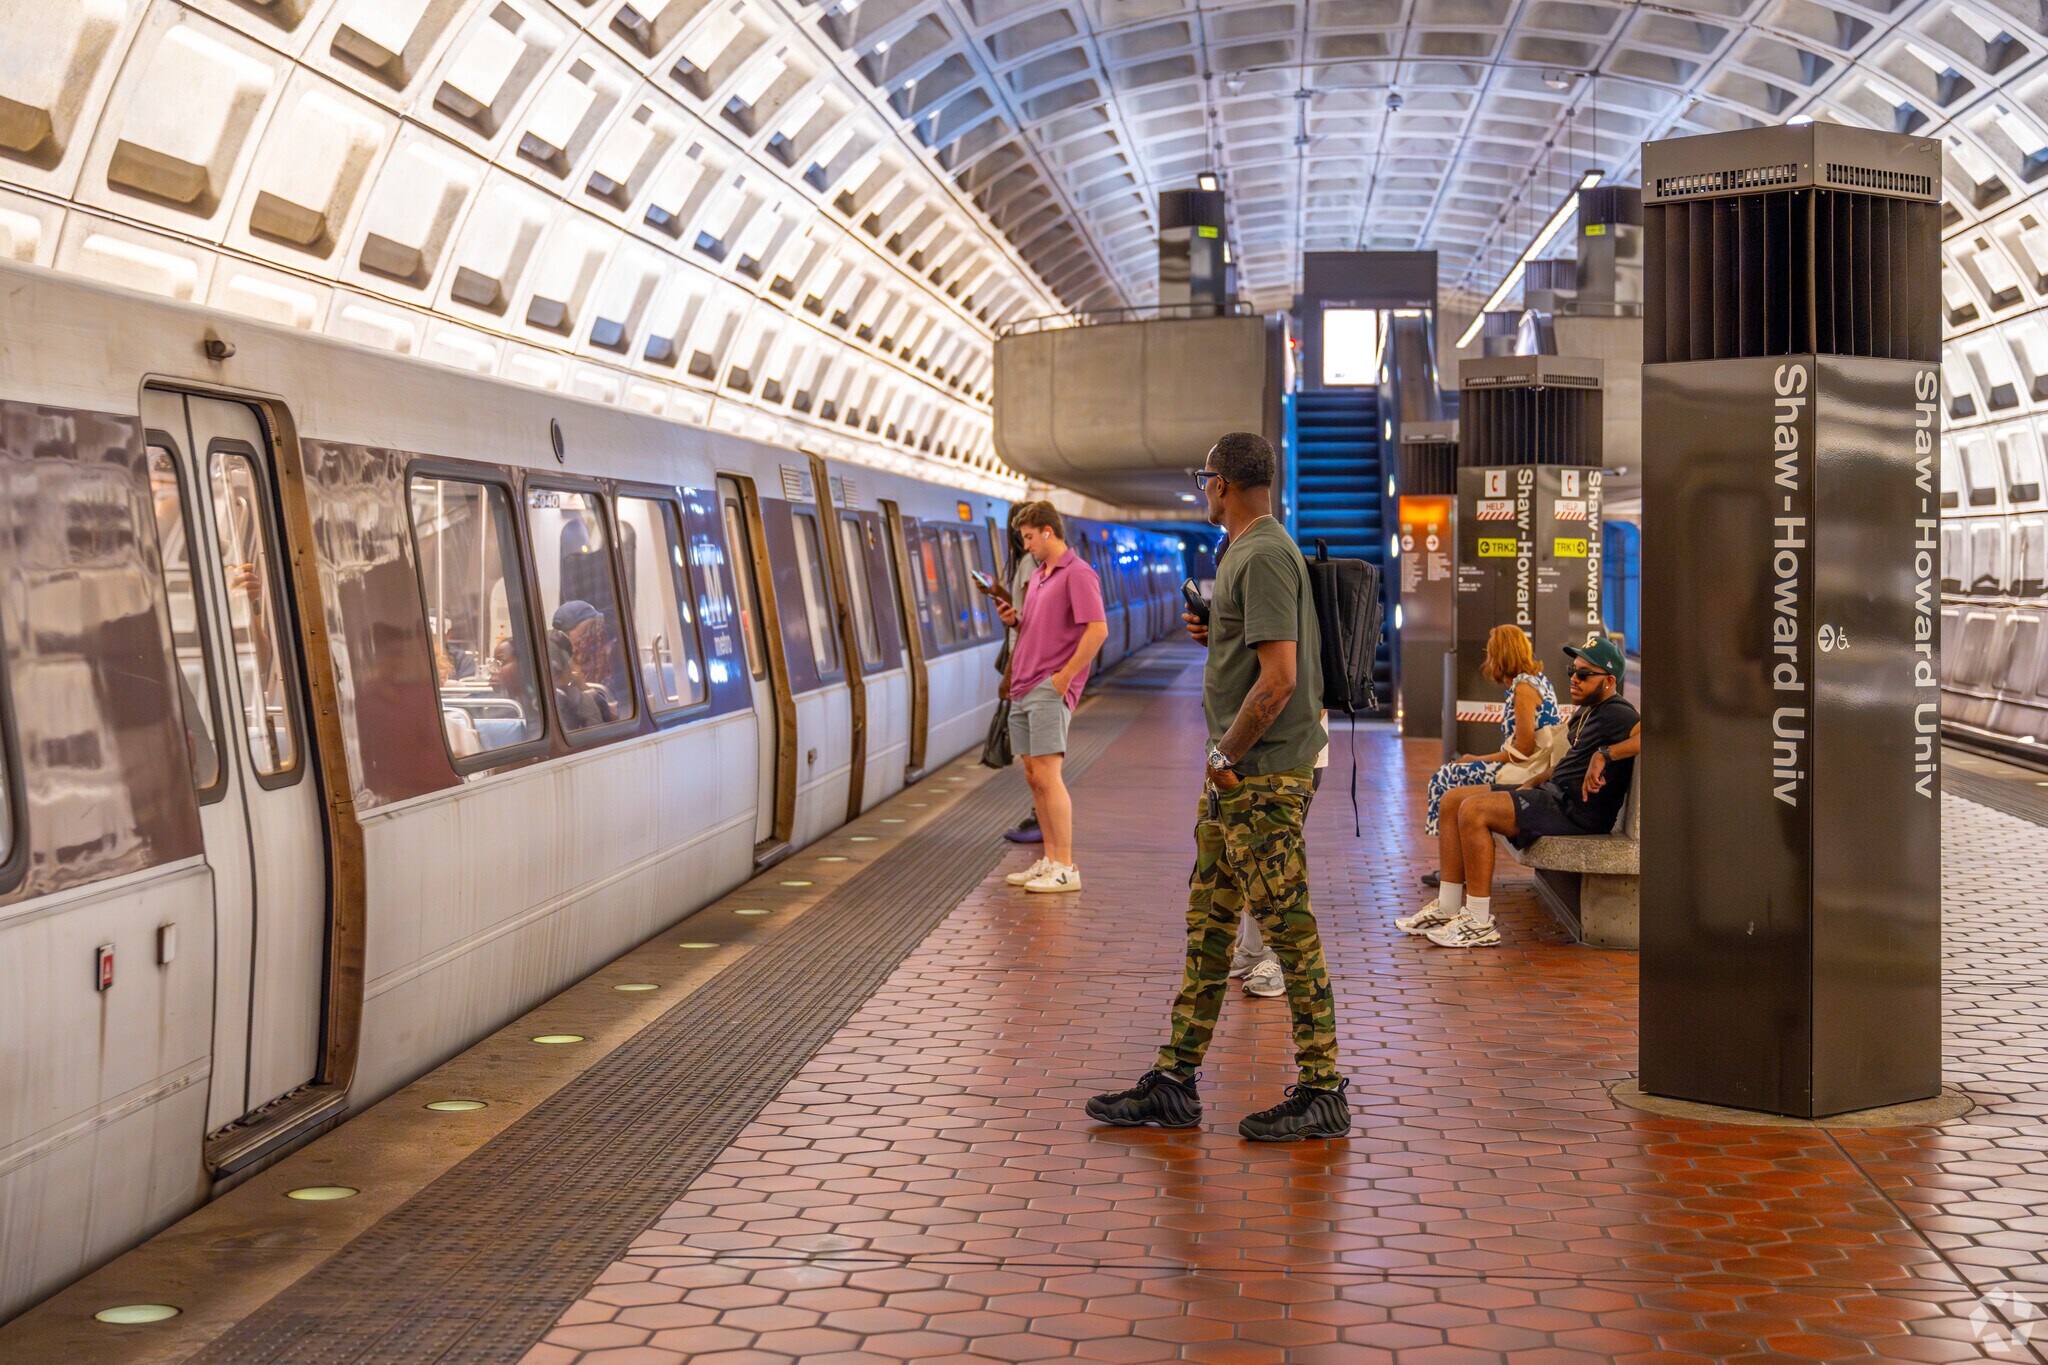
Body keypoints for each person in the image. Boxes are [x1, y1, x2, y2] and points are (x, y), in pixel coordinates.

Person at [1087, 432, 1349, 1142]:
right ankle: (1175, 1081)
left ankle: (1323, 1089)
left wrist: (1225, 755)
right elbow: (1258, 658)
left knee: (1290, 934)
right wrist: (1218, 639)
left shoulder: (1262, 554)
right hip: (1240, 779)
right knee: (1209, 929)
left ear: (1222, 484)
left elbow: (1283, 677)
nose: (1202, 489)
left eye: (1204, 478)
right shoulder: (1249, 551)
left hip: (1258, 778)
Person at [1401, 636, 1641, 949]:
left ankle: (1478, 921)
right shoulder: (1590, 711)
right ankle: (1447, 906)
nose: (1573, 678)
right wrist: (1539, 778)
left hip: (1574, 811)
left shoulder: (1618, 712)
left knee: (1475, 810)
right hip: (1552, 795)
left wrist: (1605, 755)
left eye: (1584, 674)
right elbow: (1572, 763)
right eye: (1573, 670)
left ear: (1609, 681)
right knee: (1452, 799)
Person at [997, 502, 1108, 893]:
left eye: (1028, 537)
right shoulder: (1042, 577)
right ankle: (1048, 858)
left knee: (1049, 775)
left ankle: (1065, 865)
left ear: (1047, 531)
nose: (1026, 546)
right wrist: (1016, 619)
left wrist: (1063, 679)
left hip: (1047, 688)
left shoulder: (1078, 574)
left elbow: (1097, 631)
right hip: (1024, 687)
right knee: (1034, 777)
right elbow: (1039, 627)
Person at [1417, 625, 1562, 890]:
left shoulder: (1523, 690)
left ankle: (1453, 871)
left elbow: (1524, 749)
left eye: (1491, 651)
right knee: (1450, 777)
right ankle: (1454, 868)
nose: (1488, 657)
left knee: (1445, 778)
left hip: (1528, 771)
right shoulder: (1534, 680)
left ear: (1502, 654)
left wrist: (1477, 759)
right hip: (1530, 765)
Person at [995, 513, 1043, 846]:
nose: (1024, 544)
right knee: (1034, 765)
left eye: (1026, 536)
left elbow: (1030, 622)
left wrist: (1011, 673)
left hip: (1030, 673)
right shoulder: (1040, 565)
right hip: (1030, 671)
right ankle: (1046, 833)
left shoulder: (1029, 564)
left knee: (1038, 765)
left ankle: (1050, 842)